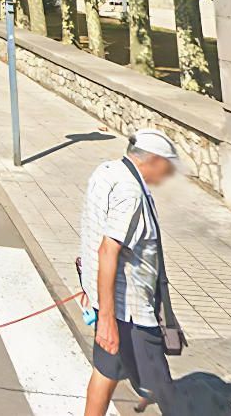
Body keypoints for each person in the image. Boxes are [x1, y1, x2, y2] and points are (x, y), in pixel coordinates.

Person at [80, 129, 182, 415]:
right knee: (166, 392)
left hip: (110, 303)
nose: (169, 172)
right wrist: (108, 322)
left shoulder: (107, 172)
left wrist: (91, 288)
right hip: (130, 314)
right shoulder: (131, 194)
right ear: (152, 160)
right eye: (167, 164)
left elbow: (92, 231)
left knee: (106, 372)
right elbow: (107, 250)